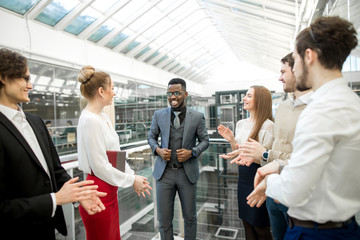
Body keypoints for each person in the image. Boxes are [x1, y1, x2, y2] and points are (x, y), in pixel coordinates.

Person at [247, 16, 360, 239]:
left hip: (314, 232)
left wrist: (271, 182)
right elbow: (325, 168)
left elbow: (293, 190)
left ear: (309, 56)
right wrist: (280, 168)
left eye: (296, 59)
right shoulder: (349, 101)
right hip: (342, 226)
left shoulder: (321, 110)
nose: (295, 68)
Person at [0, 48, 106, 239]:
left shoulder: (36, 122)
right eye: (25, 78)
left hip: (48, 229)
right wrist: (54, 199)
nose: (30, 86)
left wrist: (80, 194)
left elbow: (55, 171)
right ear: (2, 77)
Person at [237, 53, 312, 240]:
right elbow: (281, 150)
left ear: (299, 70)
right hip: (272, 189)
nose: (279, 77)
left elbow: (309, 158)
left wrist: (264, 156)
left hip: (298, 195)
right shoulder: (285, 108)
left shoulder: (319, 108)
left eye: (283, 72)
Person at [77, 65, 152, 240]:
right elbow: (100, 166)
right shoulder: (90, 121)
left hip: (110, 191)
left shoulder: (102, 118)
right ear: (101, 91)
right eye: (112, 88)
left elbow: (115, 156)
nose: (114, 92)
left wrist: (133, 176)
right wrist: (132, 179)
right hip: (98, 192)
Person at [148, 78, 209, 240]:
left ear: (185, 94)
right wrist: (158, 150)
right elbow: (151, 138)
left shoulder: (197, 116)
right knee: (164, 221)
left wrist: (192, 152)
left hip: (186, 173)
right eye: (169, 94)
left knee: (190, 218)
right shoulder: (159, 115)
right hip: (164, 174)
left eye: (176, 93)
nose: (172, 97)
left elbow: (205, 141)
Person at [217, 85, 274, 240]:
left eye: (249, 96)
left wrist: (253, 156)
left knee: (261, 227)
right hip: (243, 179)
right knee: (247, 224)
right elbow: (239, 151)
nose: (244, 98)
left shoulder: (269, 126)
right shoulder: (241, 123)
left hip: (259, 179)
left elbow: (269, 159)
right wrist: (231, 140)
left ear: (260, 100)